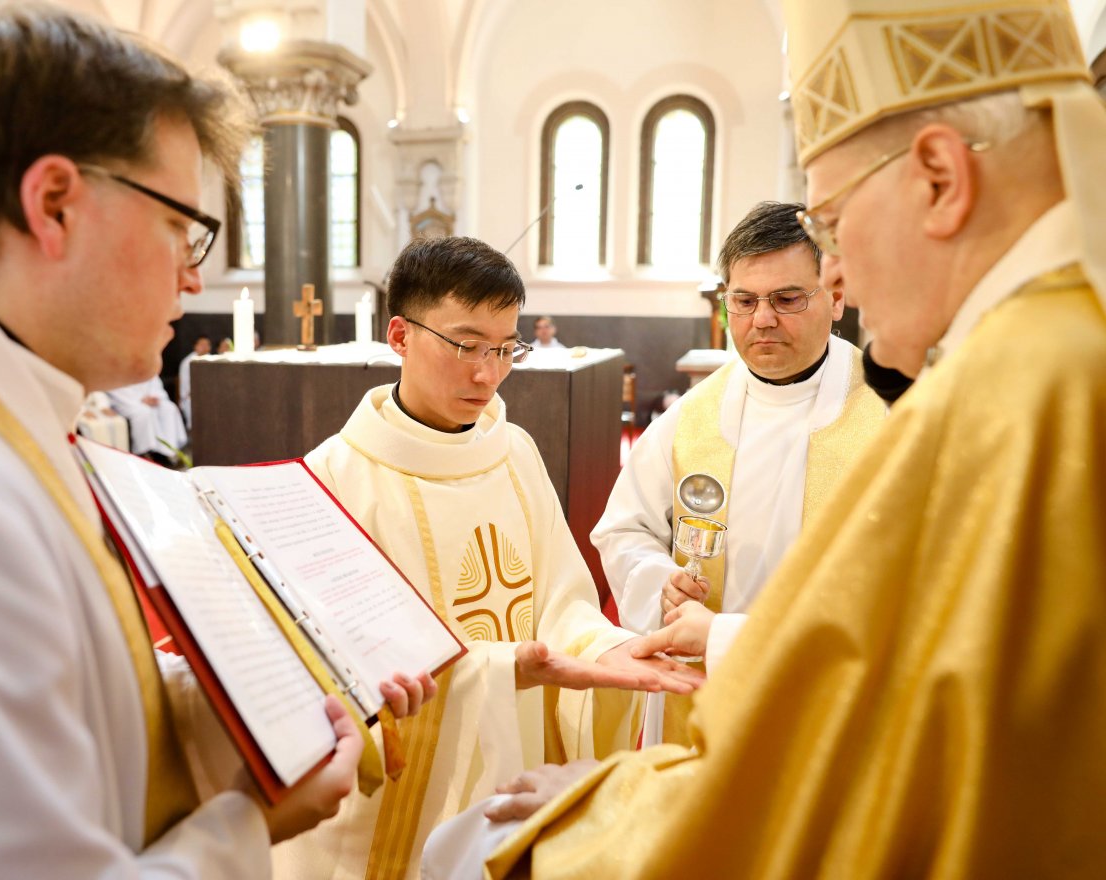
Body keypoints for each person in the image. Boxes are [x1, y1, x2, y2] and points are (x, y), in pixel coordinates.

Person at [422, 0, 1106, 876]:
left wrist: (606, 808)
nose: (842, 272)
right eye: (745, 298)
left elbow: (885, 736)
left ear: (939, 178)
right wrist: (673, 604)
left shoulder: (1016, 392)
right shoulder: (1044, 354)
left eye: (836, 220)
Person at [0, 8, 432, 877]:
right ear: (53, 204)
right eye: (181, 226)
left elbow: (57, 700)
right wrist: (249, 822)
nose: (194, 273)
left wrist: (250, 711)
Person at [272, 236, 703, 879]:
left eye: (505, 349)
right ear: (399, 335)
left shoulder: (515, 451)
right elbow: (337, 666)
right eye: (466, 346)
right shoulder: (333, 481)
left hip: (516, 751)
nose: (487, 373)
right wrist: (503, 669)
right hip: (398, 805)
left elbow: (560, 602)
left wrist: (600, 648)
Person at [591, 200, 886, 744]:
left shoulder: (892, 412)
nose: (762, 319)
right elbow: (624, 529)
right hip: (704, 703)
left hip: (833, 704)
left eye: (787, 298)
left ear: (837, 297)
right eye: (743, 301)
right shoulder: (693, 416)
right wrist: (663, 587)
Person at [109, 373, 188, 461]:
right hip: (128, 402)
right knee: (144, 413)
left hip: (148, 399)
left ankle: (169, 450)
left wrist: (154, 397)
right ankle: (144, 451)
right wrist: (140, 400)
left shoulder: (145, 364)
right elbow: (115, 387)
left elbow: (154, 382)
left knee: (169, 408)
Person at [178, 333, 211, 426]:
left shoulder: (211, 360)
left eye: (207, 345)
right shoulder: (188, 362)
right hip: (190, 398)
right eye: (202, 345)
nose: (205, 347)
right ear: (195, 346)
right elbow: (186, 388)